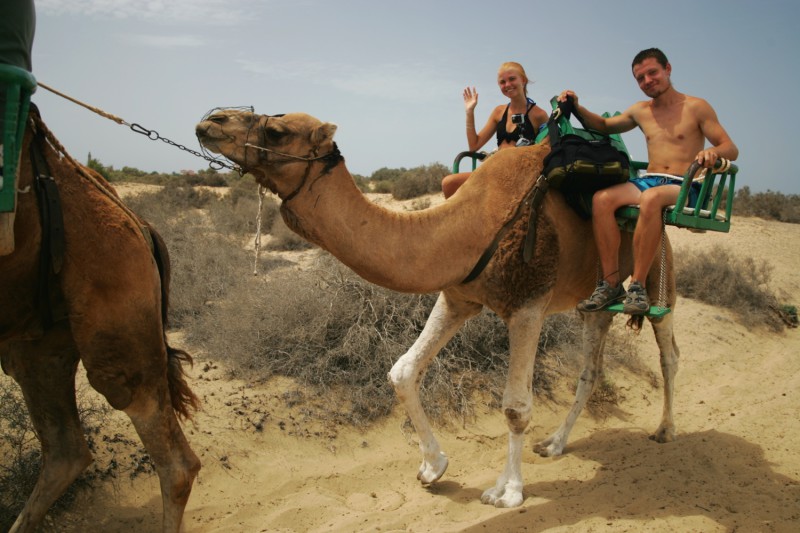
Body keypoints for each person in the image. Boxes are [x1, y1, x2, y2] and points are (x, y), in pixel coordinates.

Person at [561, 48, 738, 315]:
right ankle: (610, 284)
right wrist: (577, 106)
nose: (647, 81)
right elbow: (605, 125)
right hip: (651, 180)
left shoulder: (696, 107)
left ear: (668, 69)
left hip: (687, 184)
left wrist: (714, 153)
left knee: (651, 199)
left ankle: (638, 286)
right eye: (640, 78)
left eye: (652, 73)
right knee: (602, 199)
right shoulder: (641, 111)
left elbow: (730, 148)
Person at [441, 61, 548, 199]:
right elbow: (474, 145)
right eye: (502, 82)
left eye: (512, 79)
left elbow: (546, 149)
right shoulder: (498, 112)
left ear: (523, 80)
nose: (507, 85)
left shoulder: (539, 115)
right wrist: (469, 112)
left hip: (519, 176)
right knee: (448, 183)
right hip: (493, 170)